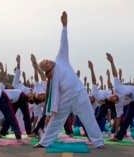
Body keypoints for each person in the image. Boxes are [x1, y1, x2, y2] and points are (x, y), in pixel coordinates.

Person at [32, 11, 105, 148]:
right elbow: (53, 95)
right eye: (45, 63)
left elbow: (63, 43)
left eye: (47, 60)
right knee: (55, 122)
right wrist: (50, 111)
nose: (48, 61)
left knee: (89, 118)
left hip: (79, 93)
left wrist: (64, 26)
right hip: (65, 99)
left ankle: (99, 142)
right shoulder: (51, 79)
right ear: (46, 70)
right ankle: (44, 142)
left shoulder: (61, 58)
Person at [106, 52, 134, 142]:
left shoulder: (117, 88)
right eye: (111, 98)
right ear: (113, 102)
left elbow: (115, 74)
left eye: (110, 96)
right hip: (133, 101)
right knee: (127, 119)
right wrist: (115, 133)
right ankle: (119, 137)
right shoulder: (118, 105)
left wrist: (111, 62)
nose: (112, 96)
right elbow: (118, 119)